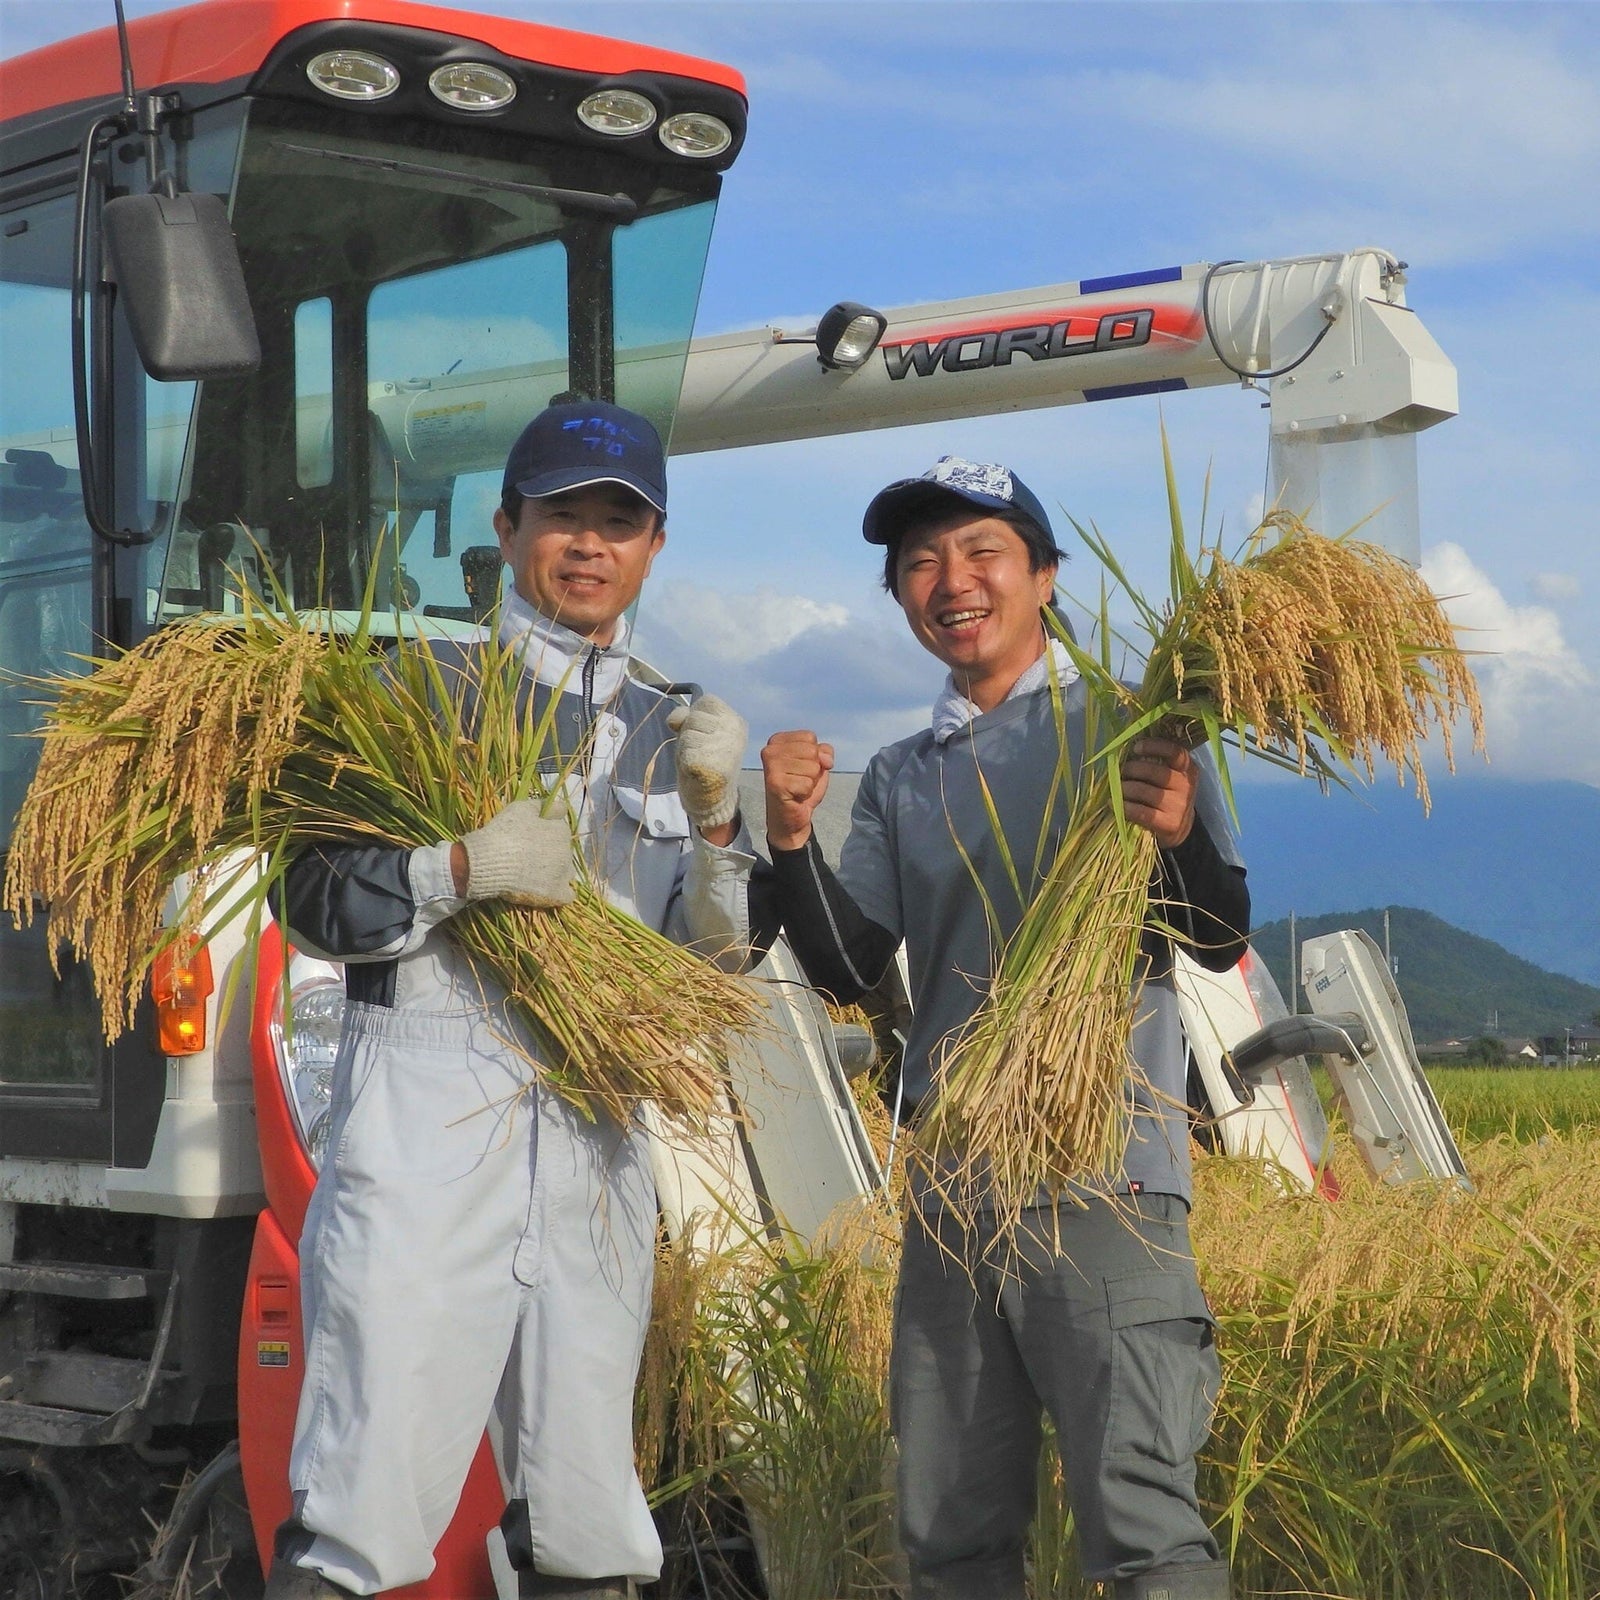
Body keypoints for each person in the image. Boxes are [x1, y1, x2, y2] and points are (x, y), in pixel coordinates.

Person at [263, 401, 757, 1600]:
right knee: (362, 1504)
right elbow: (309, 896)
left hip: (596, 1135)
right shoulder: (411, 687)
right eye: (563, 517)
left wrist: (720, 826)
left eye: (618, 522)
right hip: (429, 1120)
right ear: (507, 527)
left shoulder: (672, 725)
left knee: (588, 1515)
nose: (589, 545)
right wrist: (457, 871)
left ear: (653, 545)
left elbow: (711, 972)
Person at [758, 455, 1248, 1600]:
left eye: (981, 552)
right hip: (953, 1185)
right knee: (950, 1529)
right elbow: (848, 959)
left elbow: (1215, 934)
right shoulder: (897, 774)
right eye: (920, 561)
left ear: (1043, 575)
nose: (951, 580)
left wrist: (1174, 831)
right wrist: (787, 841)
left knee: (1139, 1520)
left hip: (1101, 1168)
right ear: (898, 596)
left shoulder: (1132, 725)